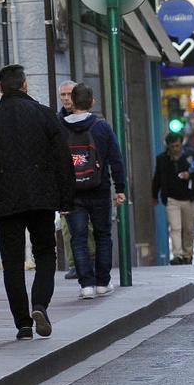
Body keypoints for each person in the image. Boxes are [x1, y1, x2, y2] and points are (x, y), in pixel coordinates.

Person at [0, 64, 74, 339]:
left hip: (4, 202)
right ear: (25, 85)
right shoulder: (44, 115)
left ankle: (23, 325)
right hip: (42, 197)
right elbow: (63, 159)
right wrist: (66, 198)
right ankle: (40, 304)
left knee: (12, 262)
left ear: (0, 88)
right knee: (44, 253)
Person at [61, 83, 127, 297]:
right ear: (91, 102)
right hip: (99, 189)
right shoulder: (101, 126)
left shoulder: (60, 127)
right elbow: (116, 160)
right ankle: (102, 282)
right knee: (102, 235)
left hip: (72, 193)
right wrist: (120, 188)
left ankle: (86, 285)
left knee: (78, 237)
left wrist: (59, 196)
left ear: (72, 102)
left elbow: (54, 163)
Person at [152, 132, 194, 265]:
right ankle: (177, 255)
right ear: (167, 146)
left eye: (177, 146)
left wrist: (190, 176)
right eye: (172, 146)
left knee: (189, 229)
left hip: (188, 198)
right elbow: (157, 178)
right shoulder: (162, 159)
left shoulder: (190, 156)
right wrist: (154, 195)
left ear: (182, 143)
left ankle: (187, 254)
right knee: (175, 228)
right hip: (172, 199)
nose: (175, 149)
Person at [57, 79, 80, 279]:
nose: (66, 98)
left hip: (86, 179)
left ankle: (87, 262)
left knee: (87, 227)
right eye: (62, 95)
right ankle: (74, 264)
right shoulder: (58, 120)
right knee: (67, 226)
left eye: (69, 94)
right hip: (66, 182)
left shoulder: (86, 118)